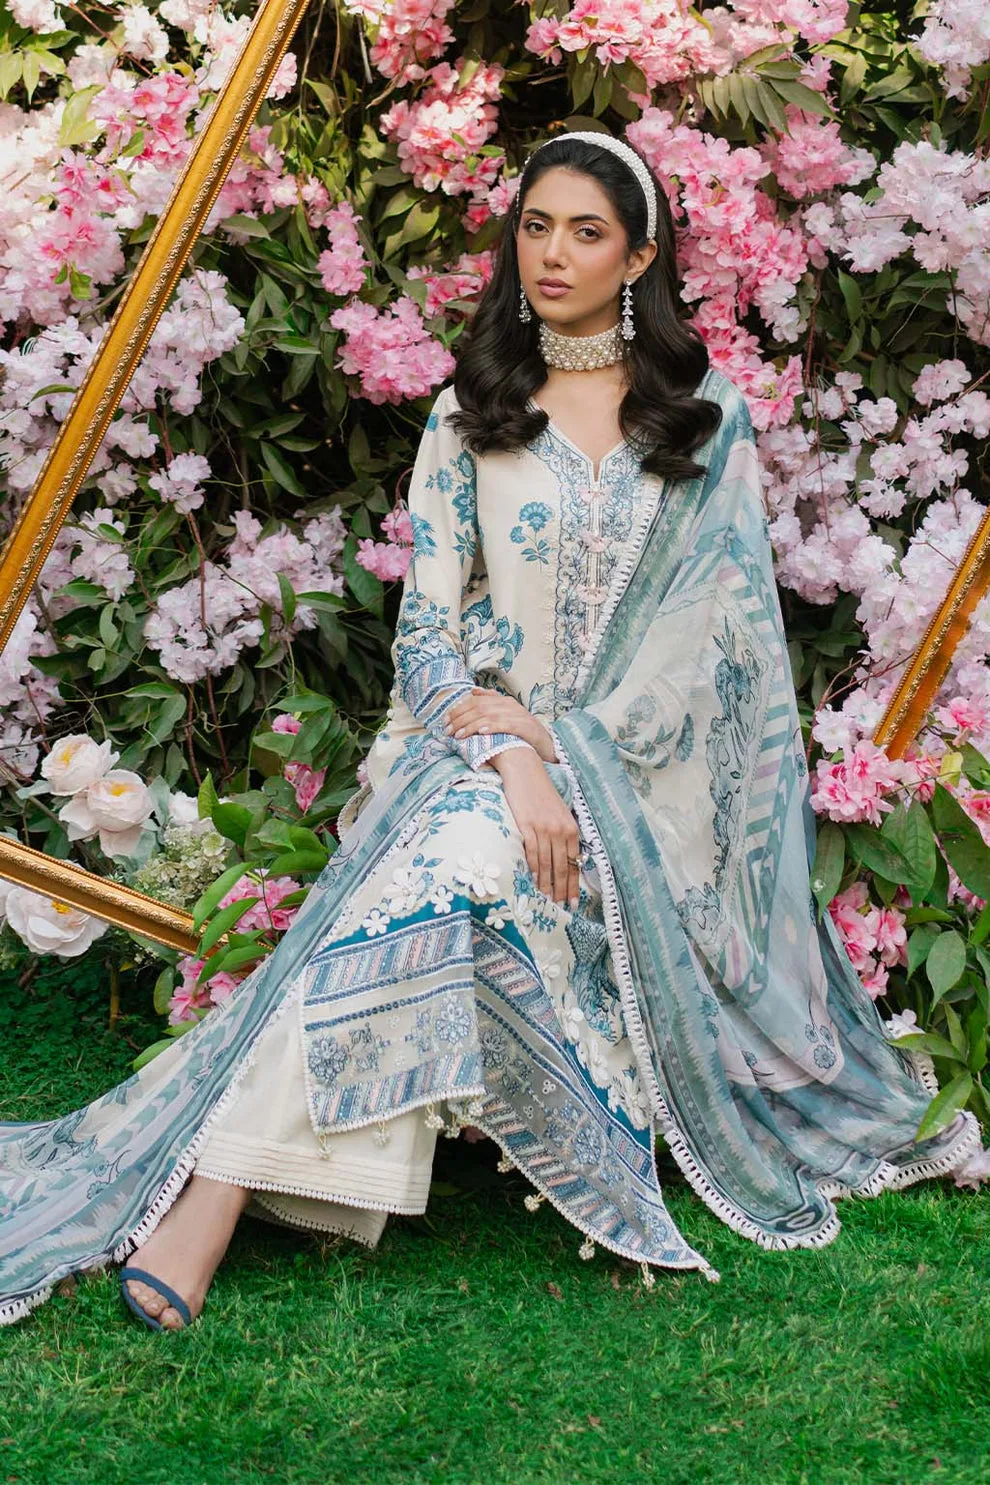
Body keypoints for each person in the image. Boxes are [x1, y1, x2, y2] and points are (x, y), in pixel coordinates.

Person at [1, 133, 980, 1333]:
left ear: (640, 257)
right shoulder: (472, 416)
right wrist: (513, 758)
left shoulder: (702, 423)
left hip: (644, 794)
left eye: (587, 232)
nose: (552, 254)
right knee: (469, 842)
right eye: (536, 225)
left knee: (461, 856)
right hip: (469, 753)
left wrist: (568, 754)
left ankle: (220, 1186)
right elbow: (426, 637)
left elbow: (715, 655)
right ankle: (226, 1189)